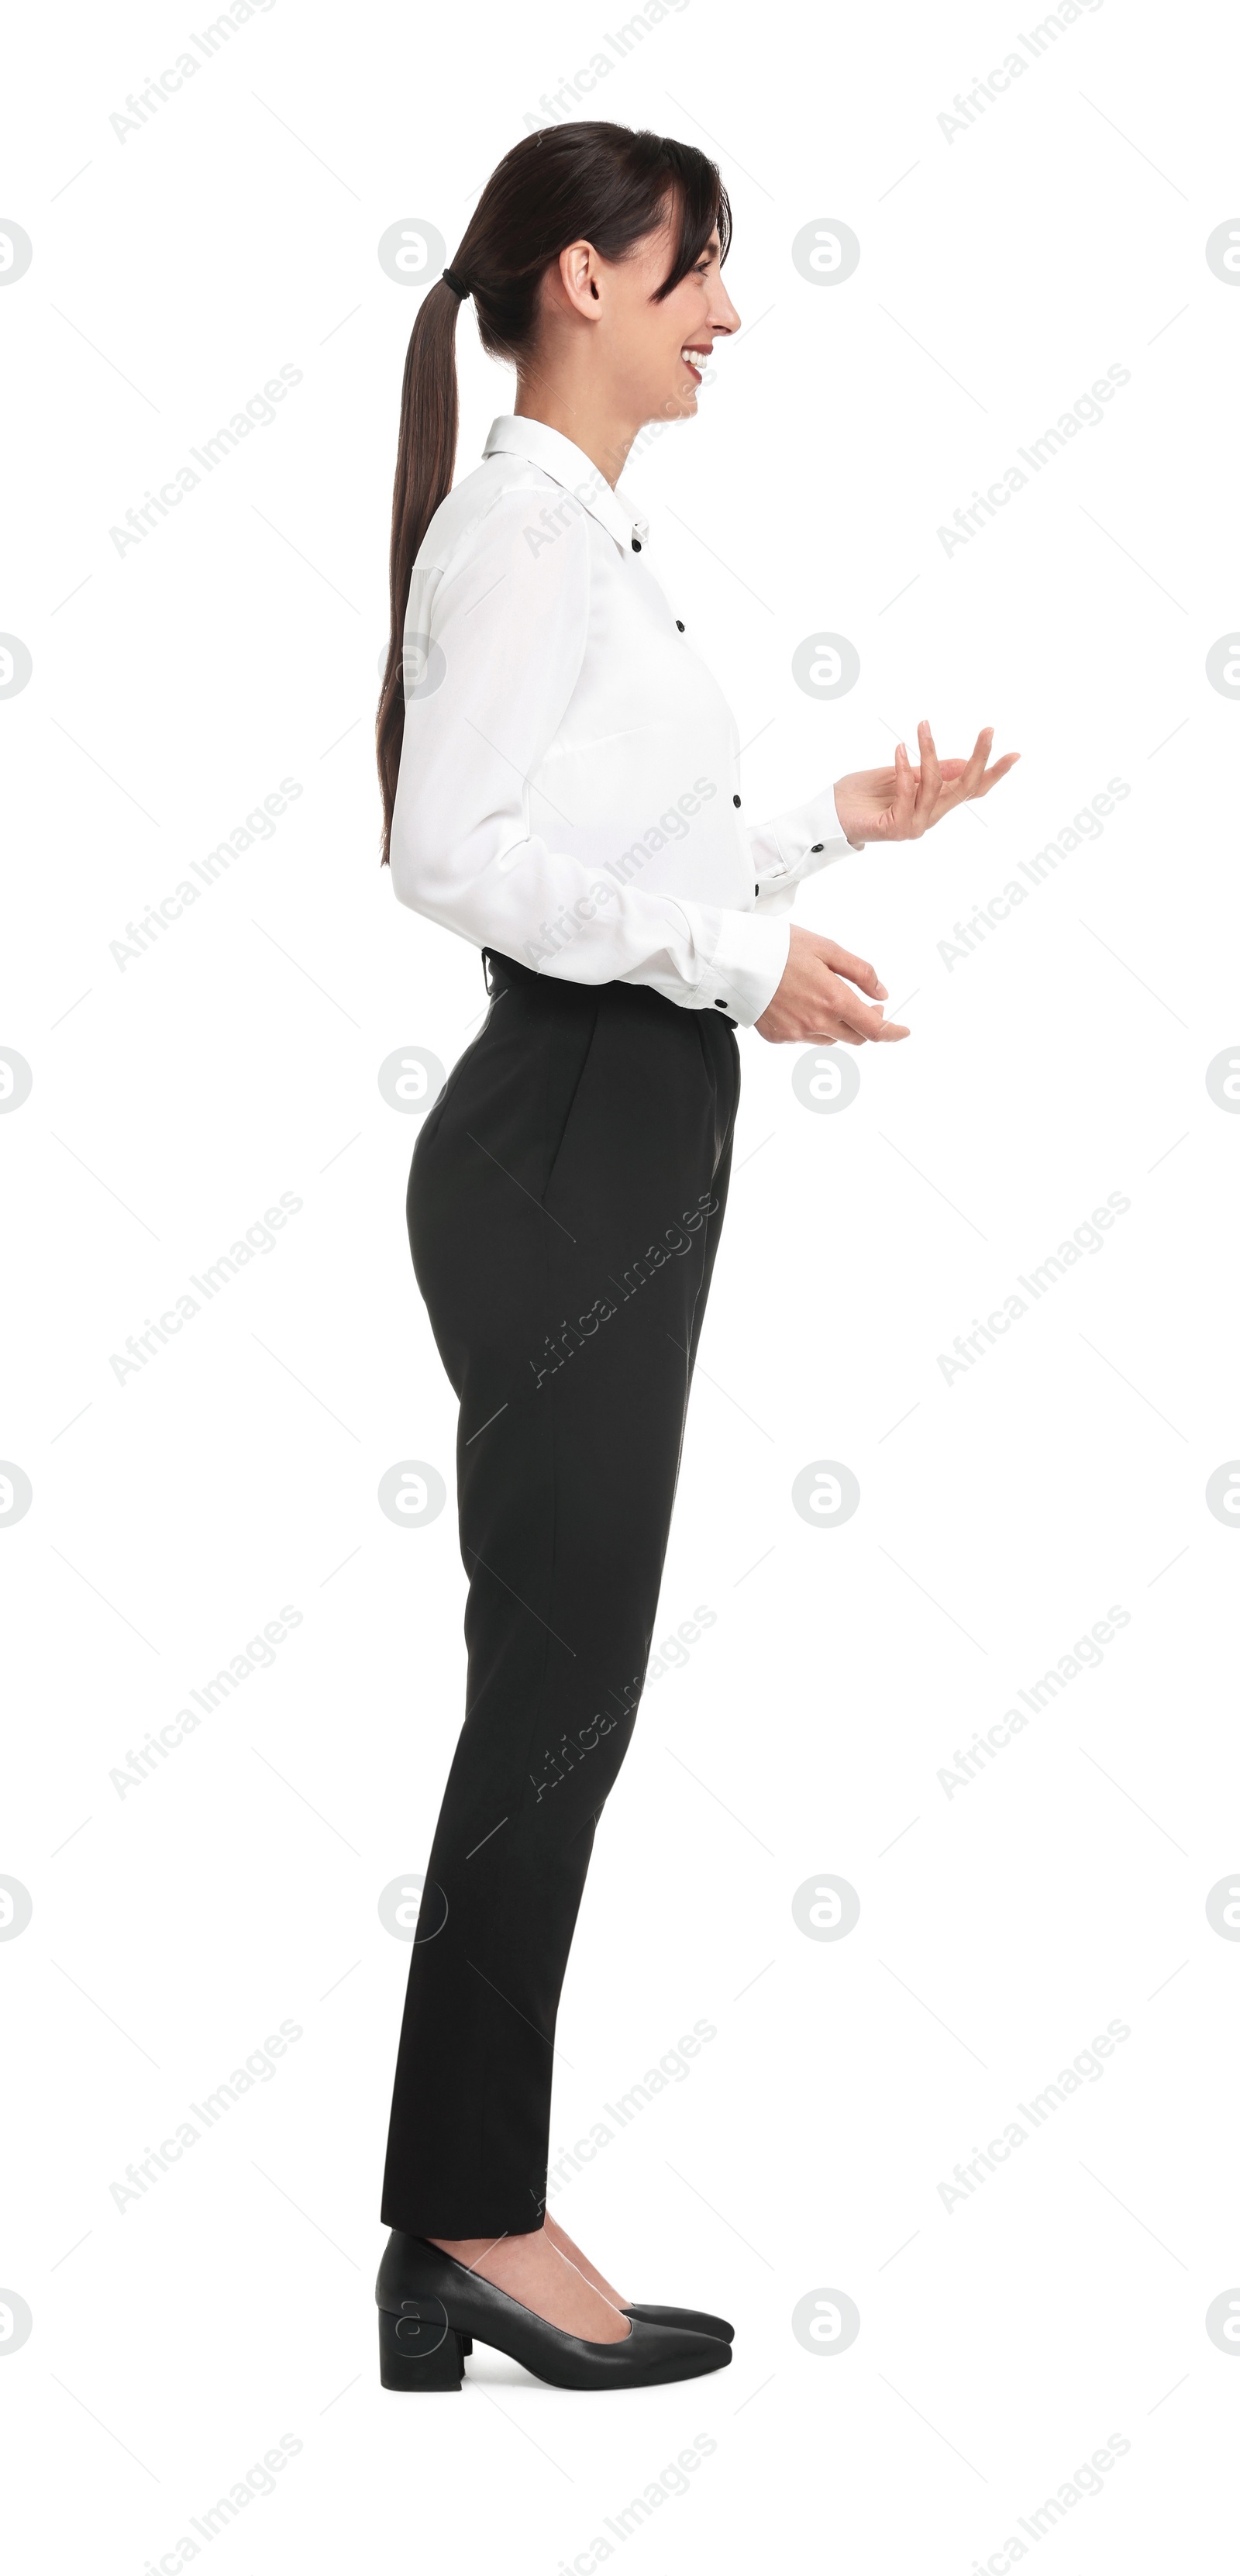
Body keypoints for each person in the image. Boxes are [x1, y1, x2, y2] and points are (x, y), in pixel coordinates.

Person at [374, 120, 1018, 2395]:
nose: (727, 311)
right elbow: (448, 854)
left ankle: (453, 2214)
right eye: (696, 272)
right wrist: (735, 972)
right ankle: (467, 2214)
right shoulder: (526, 531)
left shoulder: (579, 536)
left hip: (606, 1123)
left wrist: (832, 830)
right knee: (554, 1703)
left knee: (570, 1687)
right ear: (583, 278)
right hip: (564, 1127)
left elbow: (612, 842)